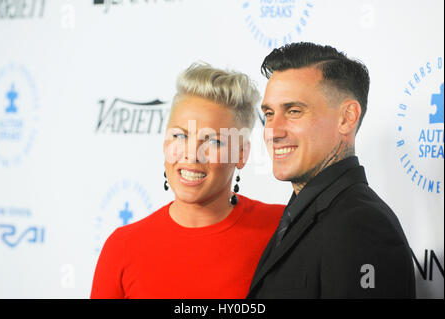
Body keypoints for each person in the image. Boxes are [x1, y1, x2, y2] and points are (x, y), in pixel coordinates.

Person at [91, 63, 284, 299]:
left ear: (241, 154)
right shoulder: (122, 247)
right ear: (165, 143)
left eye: (213, 141)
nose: (192, 154)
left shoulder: (282, 230)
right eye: (180, 136)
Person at [247, 42, 416, 298]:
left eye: (293, 111)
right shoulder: (301, 213)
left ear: (347, 118)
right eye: (269, 114)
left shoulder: (363, 227)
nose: (273, 131)